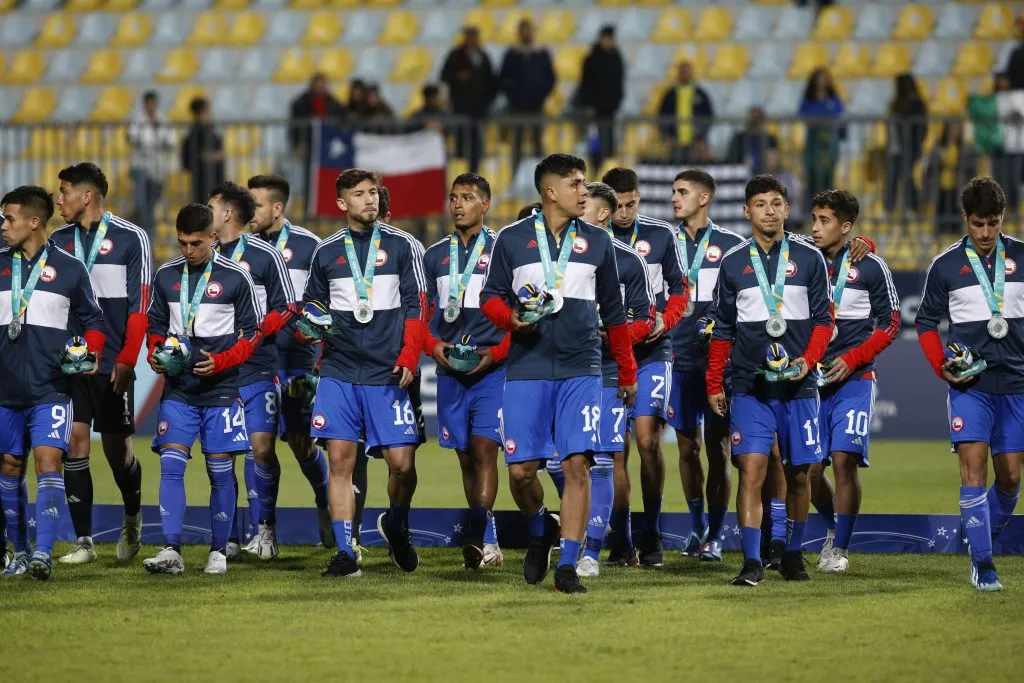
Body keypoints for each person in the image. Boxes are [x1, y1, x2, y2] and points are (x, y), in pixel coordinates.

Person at [480, 153, 638, 594]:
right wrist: (510, 319)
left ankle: (567, 566)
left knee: (577, 465)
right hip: (527, 367)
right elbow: (490, 297)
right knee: (522, 472)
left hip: (582, 368)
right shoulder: (511, 240)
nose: (584, 190)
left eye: (584, 183)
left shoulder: (599, 242)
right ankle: (539, 530)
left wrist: (626, 371)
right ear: (550, 192)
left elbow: (616, 314)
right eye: (575, 183)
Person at [706, 174, 833, 586]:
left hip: (799, 386)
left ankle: (793, 555)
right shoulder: (733, 263)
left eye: (777, 203)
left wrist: (808, 362)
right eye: (761, 204)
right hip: (750, 386)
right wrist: (713, 383)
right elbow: (722, 330)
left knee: (800, 473)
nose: (770, 211)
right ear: (747, 212)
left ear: (786, 209)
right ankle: (751, 561)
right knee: (752, 470)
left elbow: (823, 321)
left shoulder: (810, 258)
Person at [300, 169, 427, 578]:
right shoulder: (326, 252)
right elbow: (312, 309)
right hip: (338, 370)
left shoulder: (404, 245)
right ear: (342, 204)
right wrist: (308, 329)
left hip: (388, 371)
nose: (369, 200)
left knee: (402, 465)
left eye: (373, 193)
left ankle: (398, 524)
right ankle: (345, 551)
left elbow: (418, 306)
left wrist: (410, 356)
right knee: (340, 460)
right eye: (359, 194)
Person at [915, 176, 1023, 593]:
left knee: (1011, 478)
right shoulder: (945, 265)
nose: (984, 233)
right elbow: (926, 322)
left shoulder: (1022, 257)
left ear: (1002, 219)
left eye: (992, 224)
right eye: (977, 224)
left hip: (1016, 384)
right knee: (973, 470)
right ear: (965, 219)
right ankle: (983, 564)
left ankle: (980, 536)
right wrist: (941, 364)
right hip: (970, 386)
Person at [144, 203, 260, 575]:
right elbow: (156, 324)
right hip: (179, 388)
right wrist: (155, 352)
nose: (188, 250)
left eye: (195, 243)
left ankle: (218, 552)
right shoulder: (166, 276)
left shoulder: (235, 278)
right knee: (171, 464)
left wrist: (223, 361)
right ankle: (171, 551)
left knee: (219, 470)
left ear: (213, 237)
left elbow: (252, 334)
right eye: (181, 243)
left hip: (222, 389)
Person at [0, 186, 106, 580]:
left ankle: (43, 553)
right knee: (10, 466)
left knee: (49, 463)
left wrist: (90, 351)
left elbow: (93, 322)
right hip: (5, 389)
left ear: (34, 222)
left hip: (52, 387)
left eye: (8, 219)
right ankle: (21, 551)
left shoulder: (70, 269)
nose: (3, 226)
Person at [49, 163, 151, 566]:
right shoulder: (56, 240)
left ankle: (132, 516)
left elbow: (139, 307)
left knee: (118, 455)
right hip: (71, 365)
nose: (59, 199)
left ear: (86, 196)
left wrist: (127, 359)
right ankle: (84, 540)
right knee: (74, 444)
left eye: (64, 191)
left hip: (111, 365)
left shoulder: (131, 238)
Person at [600, 167, 689, 567]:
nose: (623, 212)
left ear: (639, 198)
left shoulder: (660, 235)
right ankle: (622, 540)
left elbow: (680, 290)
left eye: (631, 203)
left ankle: (652, 535)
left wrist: (664, 321)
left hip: (651, 351)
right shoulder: (590, 239)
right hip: (605, 356)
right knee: (614, 451)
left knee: (648, 441)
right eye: (616, 205)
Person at [807, 190, 900, 573]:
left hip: (855, 377)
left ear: (845, 227)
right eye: (813, 218)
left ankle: (840, 549)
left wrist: (853, 358)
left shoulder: (871, 266)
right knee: (810, 470)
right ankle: (833, 527)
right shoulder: (802, 258)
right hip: (809, 379)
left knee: (844, 461)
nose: (814, 227)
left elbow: (891, 323)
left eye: (824, 221)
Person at [421, 173, 509, 569]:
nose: (458, 204)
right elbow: (419, 316)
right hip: (450, 370)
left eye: (468, 197)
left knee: (483, 450)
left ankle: (479, 537)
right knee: (463, 456)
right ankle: (486, 538)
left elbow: (517, 314)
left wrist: (497, 354)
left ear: (485, 205)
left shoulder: (505, 250)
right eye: (454, 197)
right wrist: (432, 347)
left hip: (493, 369)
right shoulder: (434, 255)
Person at [206, 182, 295, 560]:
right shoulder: (202, 255)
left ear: (226, 213)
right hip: (217, 371)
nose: (205, 209)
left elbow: (288, 305)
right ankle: (226, 534)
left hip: (257, 365)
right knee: (223, 455)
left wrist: (257, 329)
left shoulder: (264, 255)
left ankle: (265, 529)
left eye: (211, 205)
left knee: (261, 449)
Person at [247, 174, 333, 549]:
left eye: (257, 206)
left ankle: (326, 499)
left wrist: (319, 360)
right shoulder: (240, 247)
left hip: (297, 358)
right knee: (257, 445)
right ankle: (263, 530)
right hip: (255, 358)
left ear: (277, 208)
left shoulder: (310, 247)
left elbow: (325, 306)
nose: (249, 213)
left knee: (300, 442)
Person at [573, 181, 654, 577]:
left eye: (584, 204)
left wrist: (613, 337)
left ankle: (591, 550)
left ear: (601, 214)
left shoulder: (628, 260)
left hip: (606, 371)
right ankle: (573, 531)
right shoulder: (564, 254)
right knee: (563, 462)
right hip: (567, 369)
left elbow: (644, 318)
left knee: (604, 460)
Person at [667, 169, 744, 561]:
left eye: (682, 192)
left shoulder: (732, 246)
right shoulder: (665, 242)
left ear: (704, 198)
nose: (674, 198)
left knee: (718, 449)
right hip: (677, 360)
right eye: (673, 191)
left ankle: (715, 533)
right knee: (686, 448)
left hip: (718, 364)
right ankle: (696, 527)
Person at [498, 18, 556, 175]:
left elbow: (550, 79)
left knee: (538, 143)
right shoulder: (512, 54)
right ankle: (515, 176)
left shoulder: (542, 54)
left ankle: (541, 178)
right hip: (516, 106)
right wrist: (513, 97)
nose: (526, 34)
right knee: (516, 144)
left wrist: (540, 95)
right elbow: (503, 79)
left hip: (536, 105)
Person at [441, 26, 497, 173]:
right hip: (461, 106)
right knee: (460, 142)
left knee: (476, 144)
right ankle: (460, 173)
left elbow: (492, 81)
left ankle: (474, 172)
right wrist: (458, 77)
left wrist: (487, 100)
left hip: (479, 109)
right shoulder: (456, 55)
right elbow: (444, 76)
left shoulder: (483, 56)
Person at [127, 90, 175, 235]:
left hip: (157, 169)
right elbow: (132, 138)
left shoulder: (163, 120)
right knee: (142, 202)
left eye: (154, 103)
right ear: (145, 104)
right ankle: (147, 232)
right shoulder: (137, 120)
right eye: (149, 103)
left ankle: (138, 223)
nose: (152, 106)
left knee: (152, 203)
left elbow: (172, 141)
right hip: (140, 166)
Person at [577, 25, 625, 170]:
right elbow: (585, 84)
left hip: (610, 109)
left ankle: (607, 169)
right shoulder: (591, 59)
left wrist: (616, 102)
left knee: (609, 142)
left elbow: (618, 83)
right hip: (594, 110)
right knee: (595, 142)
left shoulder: (616, 58)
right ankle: (594, 168)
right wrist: (588, 105)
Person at [798, 68, 844, 213]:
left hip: (829, 142)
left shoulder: (833, 98)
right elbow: (803, 115)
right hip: (813, 142)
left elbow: (839, 114)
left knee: (828, 175)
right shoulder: (809, 99)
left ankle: (829, 209)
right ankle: (810, 211)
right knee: (812, 175)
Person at [926, 120, 979, 234]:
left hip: (957, 189)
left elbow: (972, 169)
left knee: (955, 225)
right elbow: (930, 168)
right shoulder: (938, 147)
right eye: (952, 128)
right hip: (941, 188)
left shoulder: (965, 149)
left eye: (957, 129)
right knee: (940, 223)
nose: (954, 132)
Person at [885, 73, 927, 215]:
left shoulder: (915, 104)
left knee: (908, 178)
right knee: (893, 178)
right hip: (896, 147)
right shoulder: (895, 103)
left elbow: (921, 129)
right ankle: (890, 208)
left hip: (909, 147)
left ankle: (911, 207)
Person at [658, 62, 715, 164]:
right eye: (682, 71)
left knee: (694, 172)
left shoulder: (700, 93)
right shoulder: (670, 94)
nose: (685, 73)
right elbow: (661, 116)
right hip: (676, 142)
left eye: (687, 70)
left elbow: (708, 116)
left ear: (691, 73)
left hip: (695, 143)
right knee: (676, 170)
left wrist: (701, 137)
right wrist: (668, 136)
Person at [181, 97, 224, 204]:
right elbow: (201, 154)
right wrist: (218, 155)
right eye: (208, 110)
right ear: (202, 112)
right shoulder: (197, 131)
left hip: (212, 178)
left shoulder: (209, 128)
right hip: (203, 179)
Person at [726, 107, 778, 175]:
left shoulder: (770, 140)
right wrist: (741, 164)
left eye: (758, 119)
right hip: (742, 176)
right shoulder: (739, 138)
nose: (755, 123)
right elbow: (731, 159)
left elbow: (774, 162)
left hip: (765, 176)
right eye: (753, 119)